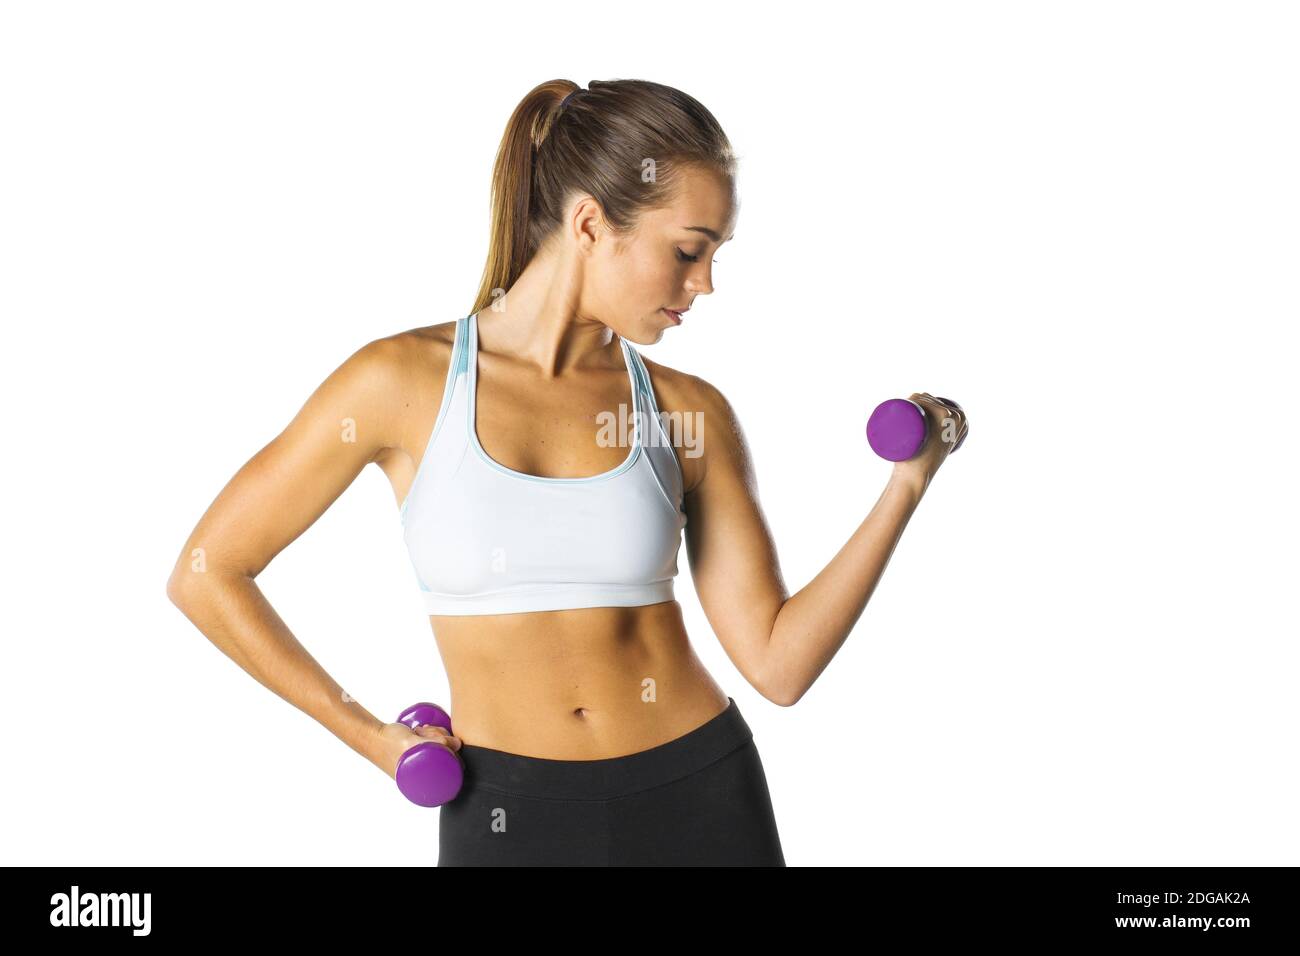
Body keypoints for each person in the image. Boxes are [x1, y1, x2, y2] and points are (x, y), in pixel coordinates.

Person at [165, 77, 967, 866]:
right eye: (688, 251)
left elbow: (778, 665)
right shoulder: (399, 383)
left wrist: (906, 486)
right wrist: (372, 739)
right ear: (589, 223)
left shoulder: (688, 413)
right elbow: (209, 573)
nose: (706, 283)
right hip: (504, 809)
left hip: (699, 795)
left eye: (716, 256)